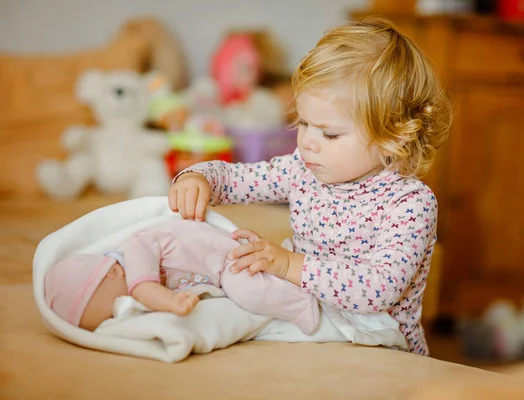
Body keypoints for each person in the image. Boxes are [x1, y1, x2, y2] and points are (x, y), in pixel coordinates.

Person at [168, 17, 452, 355]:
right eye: (303, 122)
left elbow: (379, 289)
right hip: (304, 313)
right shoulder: (302, 169)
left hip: (375, 341)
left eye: (329, 133)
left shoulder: (409, 203)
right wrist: (200, 178)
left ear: (395, 135)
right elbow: (241, 179)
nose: (308, 142)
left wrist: (289, 265)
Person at [45, 219, 319, 333]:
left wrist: (172, 304)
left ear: (113, 270)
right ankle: (288, 267)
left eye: (115, 304)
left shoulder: (135, 249)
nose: (122, 309)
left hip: (224, 260)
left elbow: (144, 291)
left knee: (250, 293)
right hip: (216, 271)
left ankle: (307, 304)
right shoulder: (124, 274)